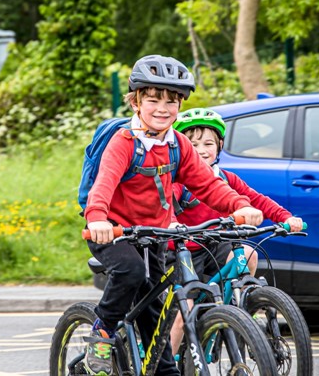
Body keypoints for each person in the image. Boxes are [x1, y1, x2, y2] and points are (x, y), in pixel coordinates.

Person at [83, 55, 264, 376]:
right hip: (114, 231)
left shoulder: (178, 144)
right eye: (153, 99)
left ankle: (164, 369)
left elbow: (209, 186)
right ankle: (103, 330)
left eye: (172, 101)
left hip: (156, 234)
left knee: (155, 317)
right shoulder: (123, 143)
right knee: (130, 271)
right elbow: (105, 184)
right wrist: (97, 218)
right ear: (136, 102)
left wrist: (239, 205)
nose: (163, 108)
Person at [167, 107, 303, 357]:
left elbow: (256, 199)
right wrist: (172, 224)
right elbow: (164, 208)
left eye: (208, 143)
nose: (201, 149)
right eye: (192, 143)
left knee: (248, 254)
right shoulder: (178, 181)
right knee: (183, 311)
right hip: (184, 250)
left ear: (219, 146)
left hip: (216, 244)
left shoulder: (227, 178)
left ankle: (235, 308)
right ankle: (167, 363)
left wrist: (286, 218)